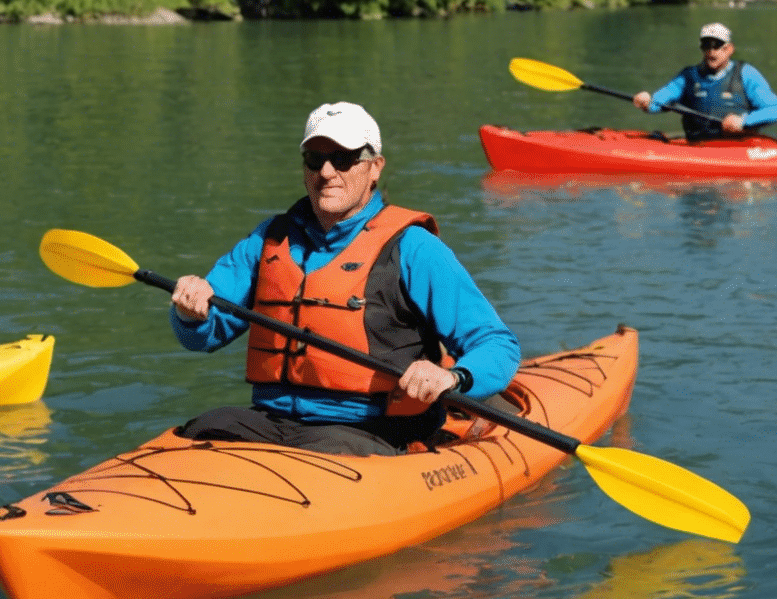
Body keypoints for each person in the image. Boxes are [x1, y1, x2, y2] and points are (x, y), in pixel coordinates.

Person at [168, 102, 520, 456]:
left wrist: (452, 377)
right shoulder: (268, 241)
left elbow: (497, 345)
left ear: (374, 168)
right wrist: (190, 312)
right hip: (272, 420)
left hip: (372, 429)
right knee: (204, 427)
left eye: (344, 159)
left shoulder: (414, 249)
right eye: (314, 158)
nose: (326, 172)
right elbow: (204, 335)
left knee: (329, 448)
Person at [631, 22, 777, 139]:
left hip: (737, 148)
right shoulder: (688, 76)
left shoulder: (746, 73)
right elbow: (660, 100)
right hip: (697, 146)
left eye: (716, 45)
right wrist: (646, 102)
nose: (711, 51)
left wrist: (743, 121)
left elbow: (776, 109)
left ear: (729, 49)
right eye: (706, 45)